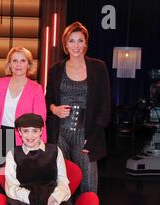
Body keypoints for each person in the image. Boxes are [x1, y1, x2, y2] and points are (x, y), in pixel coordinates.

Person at [45, 21, 111, 194]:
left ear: (86, 43)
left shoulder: (98, 67)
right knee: (61, 182)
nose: (76, 45)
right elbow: (48, 99)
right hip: (59, 133)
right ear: (65, 44)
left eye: (80, 40)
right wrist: (54, 109)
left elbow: (105, 105)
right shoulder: (55, 70)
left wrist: (95, 136)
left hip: (86, 133)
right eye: (71, 41)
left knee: (89, 183)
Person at [0, 47, 47, 156]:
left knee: (20, 172)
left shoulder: (36, 88)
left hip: (25, 137)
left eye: (23, 61)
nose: (18, 64)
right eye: (15, 61)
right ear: (9, 64)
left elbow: (40, 119)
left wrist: (41, 142)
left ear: (29, 65)